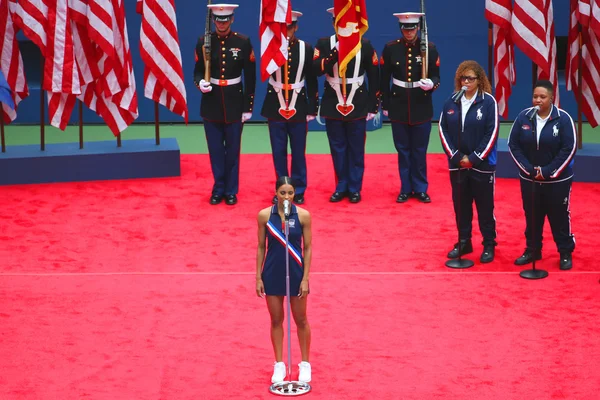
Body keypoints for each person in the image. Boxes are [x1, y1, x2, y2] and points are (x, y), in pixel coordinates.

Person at [312, 7, 380, 204]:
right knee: (338, 147)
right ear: (334, 22)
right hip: (333, 99)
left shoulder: (365, 45)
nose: (343, 25)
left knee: (356, 148)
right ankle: (341, 186)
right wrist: (334, 54)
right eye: (339, 21)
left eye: (347, 22)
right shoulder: (324, 43)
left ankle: (354, 188)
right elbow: (315, 69)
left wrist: (373, 104)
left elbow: (374, 76)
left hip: (357, 100)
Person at [508, 80, 576, 270]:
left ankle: (564, 252)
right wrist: (529, 169)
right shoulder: (523, 118)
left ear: (552, 98)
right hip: (529, 179)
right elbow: (513, 145)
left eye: (542, 97)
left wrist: (547, 172)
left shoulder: (563, 119)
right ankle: (533, 249)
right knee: (532, 216)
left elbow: (568, 149)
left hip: (557, 181)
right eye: (535, 96)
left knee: (559, 216)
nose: (538, 100)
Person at [194, 4, 256, 205]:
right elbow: (197, 70)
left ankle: (231, 190)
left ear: (232, 19)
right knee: (215, 150)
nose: (222, 23)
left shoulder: (243, 42)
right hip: (211, 104)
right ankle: (218, 188)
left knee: (232, 150)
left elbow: (251, 77)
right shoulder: (204, 41)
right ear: (213, 21)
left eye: (226, 19)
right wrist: (199, 82)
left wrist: (248, 107)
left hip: (234, 103)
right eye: (219, 20)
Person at [439, 60, 499, 263]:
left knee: (485, 207)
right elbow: (442, 129)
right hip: (457, 166)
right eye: (463, 78)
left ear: (479, 80)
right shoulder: (451, 101)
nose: (466, 81)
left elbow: (492, 133)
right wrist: (456, 157)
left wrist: (474, 158)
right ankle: (464, 240)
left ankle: (489, 244)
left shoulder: (488, 102)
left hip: (481, 167)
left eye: (471, 78)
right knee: (461, 206)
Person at [256, 176, 312, 383]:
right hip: (272, 273)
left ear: (294, 193)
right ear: (276, 193)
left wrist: (306, 278)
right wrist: (258, 277)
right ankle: (279, 364)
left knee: (301, 319)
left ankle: (305, 363)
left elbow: (308, 248)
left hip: (296, 272)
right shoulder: (264, 216)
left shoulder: (304, 216)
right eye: (282, 192)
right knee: (277, 320)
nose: (286, 196)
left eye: (290, 193)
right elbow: (261, 247)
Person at [380, 12, 440, 204]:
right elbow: (384, 79)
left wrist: (431, 84)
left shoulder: (429, 48)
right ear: (401, 29)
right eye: (406, 29)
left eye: (412, 28)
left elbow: (437, 76)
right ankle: (405, 188)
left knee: (419, 150)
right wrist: (386, 104)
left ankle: (421, 188)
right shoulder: (391, 49)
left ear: (418, 28)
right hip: (398, 105)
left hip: (421, 104)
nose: (409, 32)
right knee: (403, 150)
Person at [261, 11, 318, 205]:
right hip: (275, 104)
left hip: (298, 104)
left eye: (291, 27)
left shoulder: (306, 48)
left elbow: (311, 79)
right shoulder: (270, 46)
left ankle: (298, 188)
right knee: (278, 151)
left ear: (296, 27)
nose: (287, 31)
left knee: (298, 151)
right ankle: (282, 190)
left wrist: (312, 107)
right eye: (283, 27)